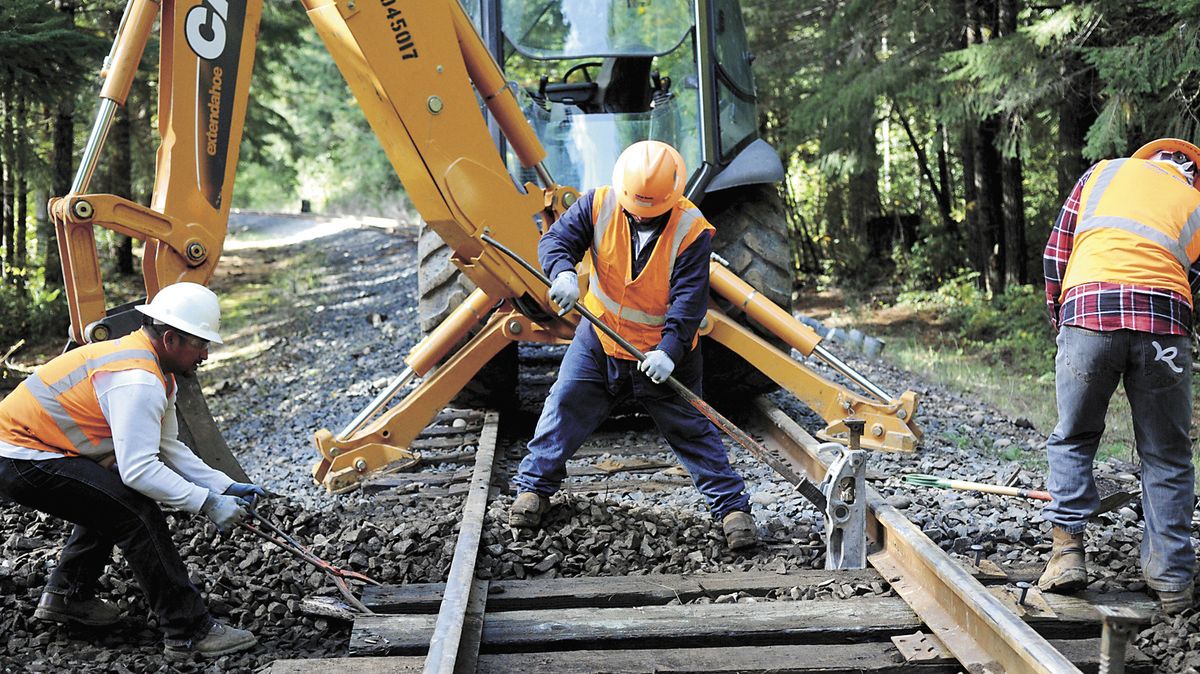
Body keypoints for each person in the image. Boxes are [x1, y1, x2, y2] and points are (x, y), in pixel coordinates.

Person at [509, 140, 756, 549]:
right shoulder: (598, 204)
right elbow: (555, 242)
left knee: (692, 429)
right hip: (600, 341)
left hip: (660, 354)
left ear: (671, 199)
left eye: (651, 213)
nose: (641, 217)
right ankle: (532, 490)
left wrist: (670, 351)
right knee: (564, 404)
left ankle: (733, 510)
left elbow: (690, 299)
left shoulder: (691, 229)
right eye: (635, 209)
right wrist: (563, 273)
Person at [0, 282, 265, 658]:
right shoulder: (137, 379)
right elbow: (138, 470)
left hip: (29, 450)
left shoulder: (154, 367)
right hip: (21, 456)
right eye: (201, 344)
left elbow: (167, 446)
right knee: (134, 512)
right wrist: (206, 502)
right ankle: (188, 631)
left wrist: (223, 485)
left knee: (107, 501)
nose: (205, 355)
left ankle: (67, 595)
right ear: (171, 338)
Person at [1041, 137, 1200, 615]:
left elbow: (1056, 254)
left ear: (1149, 158)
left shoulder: (1103, 173)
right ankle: (1171, 580)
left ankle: (1067, 553)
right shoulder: (1195, 203)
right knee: (1167, 452)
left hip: (1088, 313)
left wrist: (1063, 321)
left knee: (1074, 435)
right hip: (1165, 329)